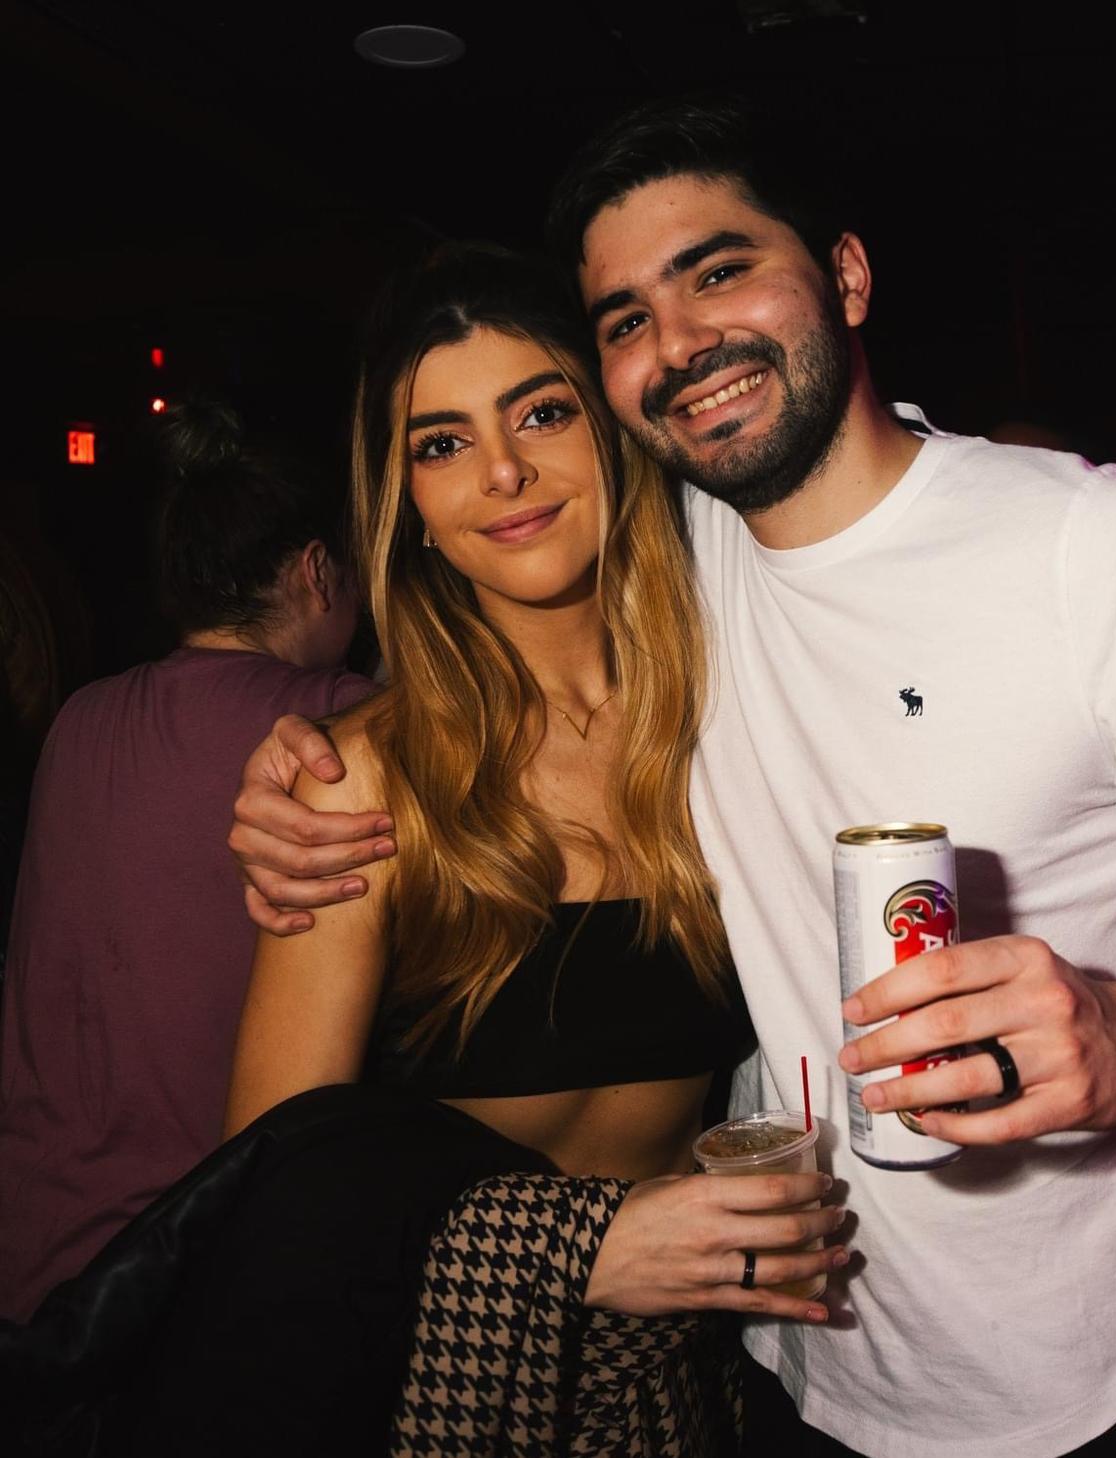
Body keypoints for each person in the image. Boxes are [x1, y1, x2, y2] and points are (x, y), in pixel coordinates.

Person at [227, 101, 1116, 1458]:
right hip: (764, 1367)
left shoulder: (1098, 553)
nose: (682, 342)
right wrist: (308, 745)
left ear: (846, 275)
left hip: (1041, 1403)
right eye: (625, 319)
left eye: (718, 270)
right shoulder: (677, 570)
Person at [116, 245, 844, 1458]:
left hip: (688, 1385)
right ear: (409, 505)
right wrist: (580, 1250)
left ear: (616, 434)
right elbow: (274, 1185)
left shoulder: (728, 722)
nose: (503, 472)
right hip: (448, 1386)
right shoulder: (362, 780)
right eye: (442, 443)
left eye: (543, 413)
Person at [0, 402, 373, 1324]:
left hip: (34, 1253)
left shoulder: (80, 720)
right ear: (318, 570)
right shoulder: (342, 722)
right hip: (192, 1276)